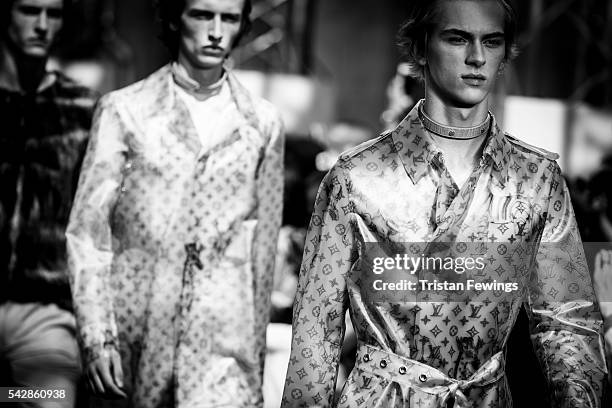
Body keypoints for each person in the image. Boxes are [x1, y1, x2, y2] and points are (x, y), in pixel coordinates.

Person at [281, 0, 607, 407]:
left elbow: (567, 320)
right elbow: (317, 329)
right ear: (420, 47)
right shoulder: (357, 177)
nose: (476, 57)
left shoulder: (537, 180)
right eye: (457, 39)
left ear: (505, 54)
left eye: (492, 42)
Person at [66, 0, 284, 406]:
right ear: (173, 18)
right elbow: (89, 232)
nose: (216, 30)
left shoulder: (261, 121)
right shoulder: (126, 110)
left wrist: (252, 363)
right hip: (137, 328)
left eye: (230, 18)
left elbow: (263, 249)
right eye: (202, 15)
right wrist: (96, 337)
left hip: (221, 342)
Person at [0, 0, 97, 406]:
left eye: (53, 13)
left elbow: (97, 221)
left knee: (50, 399)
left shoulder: (82, 109)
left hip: (43, 315)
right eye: (28, 10)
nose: (42, 25)